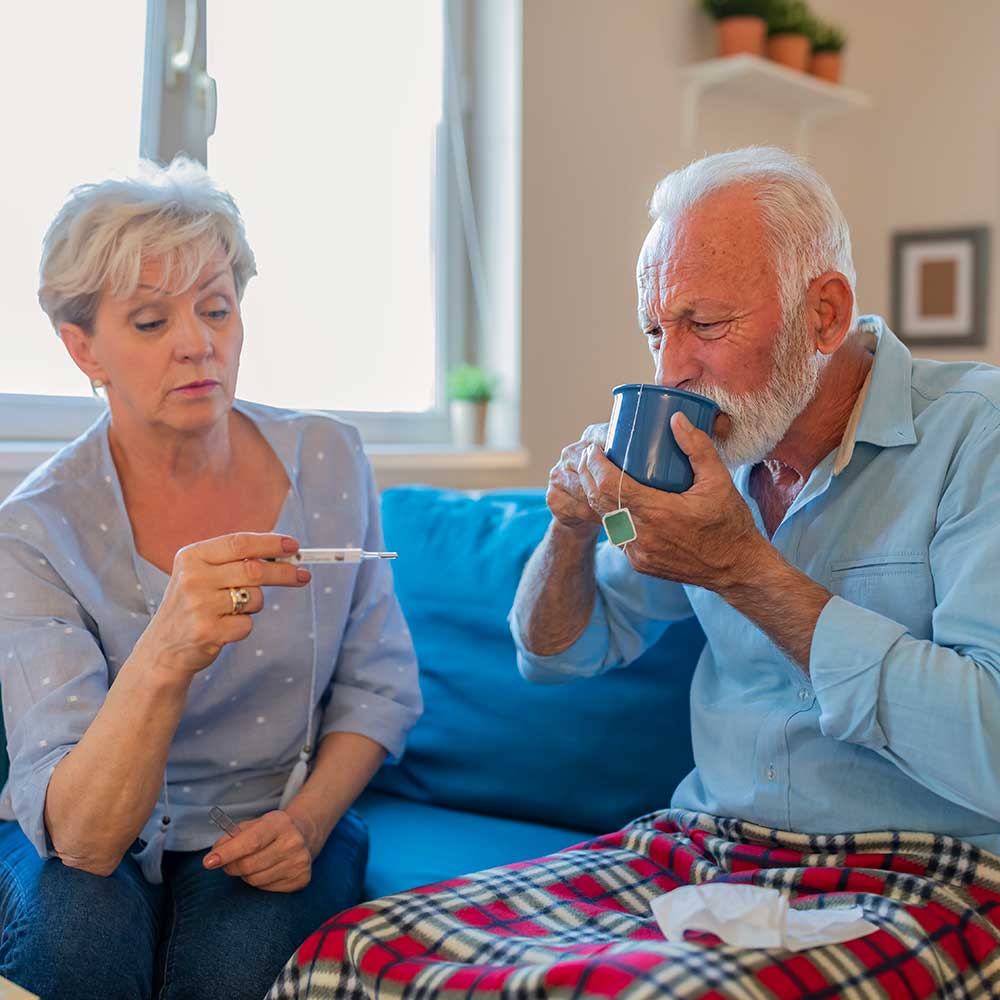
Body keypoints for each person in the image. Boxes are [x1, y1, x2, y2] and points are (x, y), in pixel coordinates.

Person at [268, 146, 1000, 999]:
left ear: (825, 314)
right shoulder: (714, 459)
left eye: (705, 325)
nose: (668, 372)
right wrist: (572, 531)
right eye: (657, 331)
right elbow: (556, 655)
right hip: (701, 845)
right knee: (354, 953)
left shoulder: (974, 440)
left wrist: (744, 569)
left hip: (931, 872)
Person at [0, 157, 422, 1000]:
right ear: (82, 347)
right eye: (151, 321)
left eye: (217, 309)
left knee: (234, 974)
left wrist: (304, 824)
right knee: (80, 946)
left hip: (273, 808)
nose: (199, 342)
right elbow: (81, 837)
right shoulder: (32, 530)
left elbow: (380, 688)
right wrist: (166, 647)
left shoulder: (330, 460)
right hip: (96, 822)